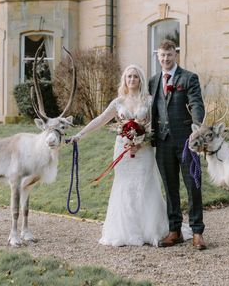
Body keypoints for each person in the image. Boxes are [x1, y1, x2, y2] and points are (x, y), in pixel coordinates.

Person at [72, 64, 169, 246]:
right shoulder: (118, 102)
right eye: (129, 76)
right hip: (122, 150)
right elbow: (101, 119)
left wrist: (140, 143)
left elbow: (153, 126)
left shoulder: (148, 100)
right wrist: (80, 134)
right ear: (124, 80)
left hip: (144, 151)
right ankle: (125, 232)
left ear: (140, 79)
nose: (132, 80)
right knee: (124, 186)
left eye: (135, 76)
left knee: (145, 185)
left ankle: (150, 230)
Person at [149, 39, 207, 250]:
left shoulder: (189, 78)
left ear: (176, 55)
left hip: (186, 142)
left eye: (169, 55)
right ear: (158, 57)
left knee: (193, 185)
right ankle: (174, 231)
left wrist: (197, 126)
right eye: (162, 55)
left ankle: (197, 232)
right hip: (162, 142)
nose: (166, 59)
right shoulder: (153, 81)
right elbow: (152, 109)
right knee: (170, 187)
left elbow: (196, 103)